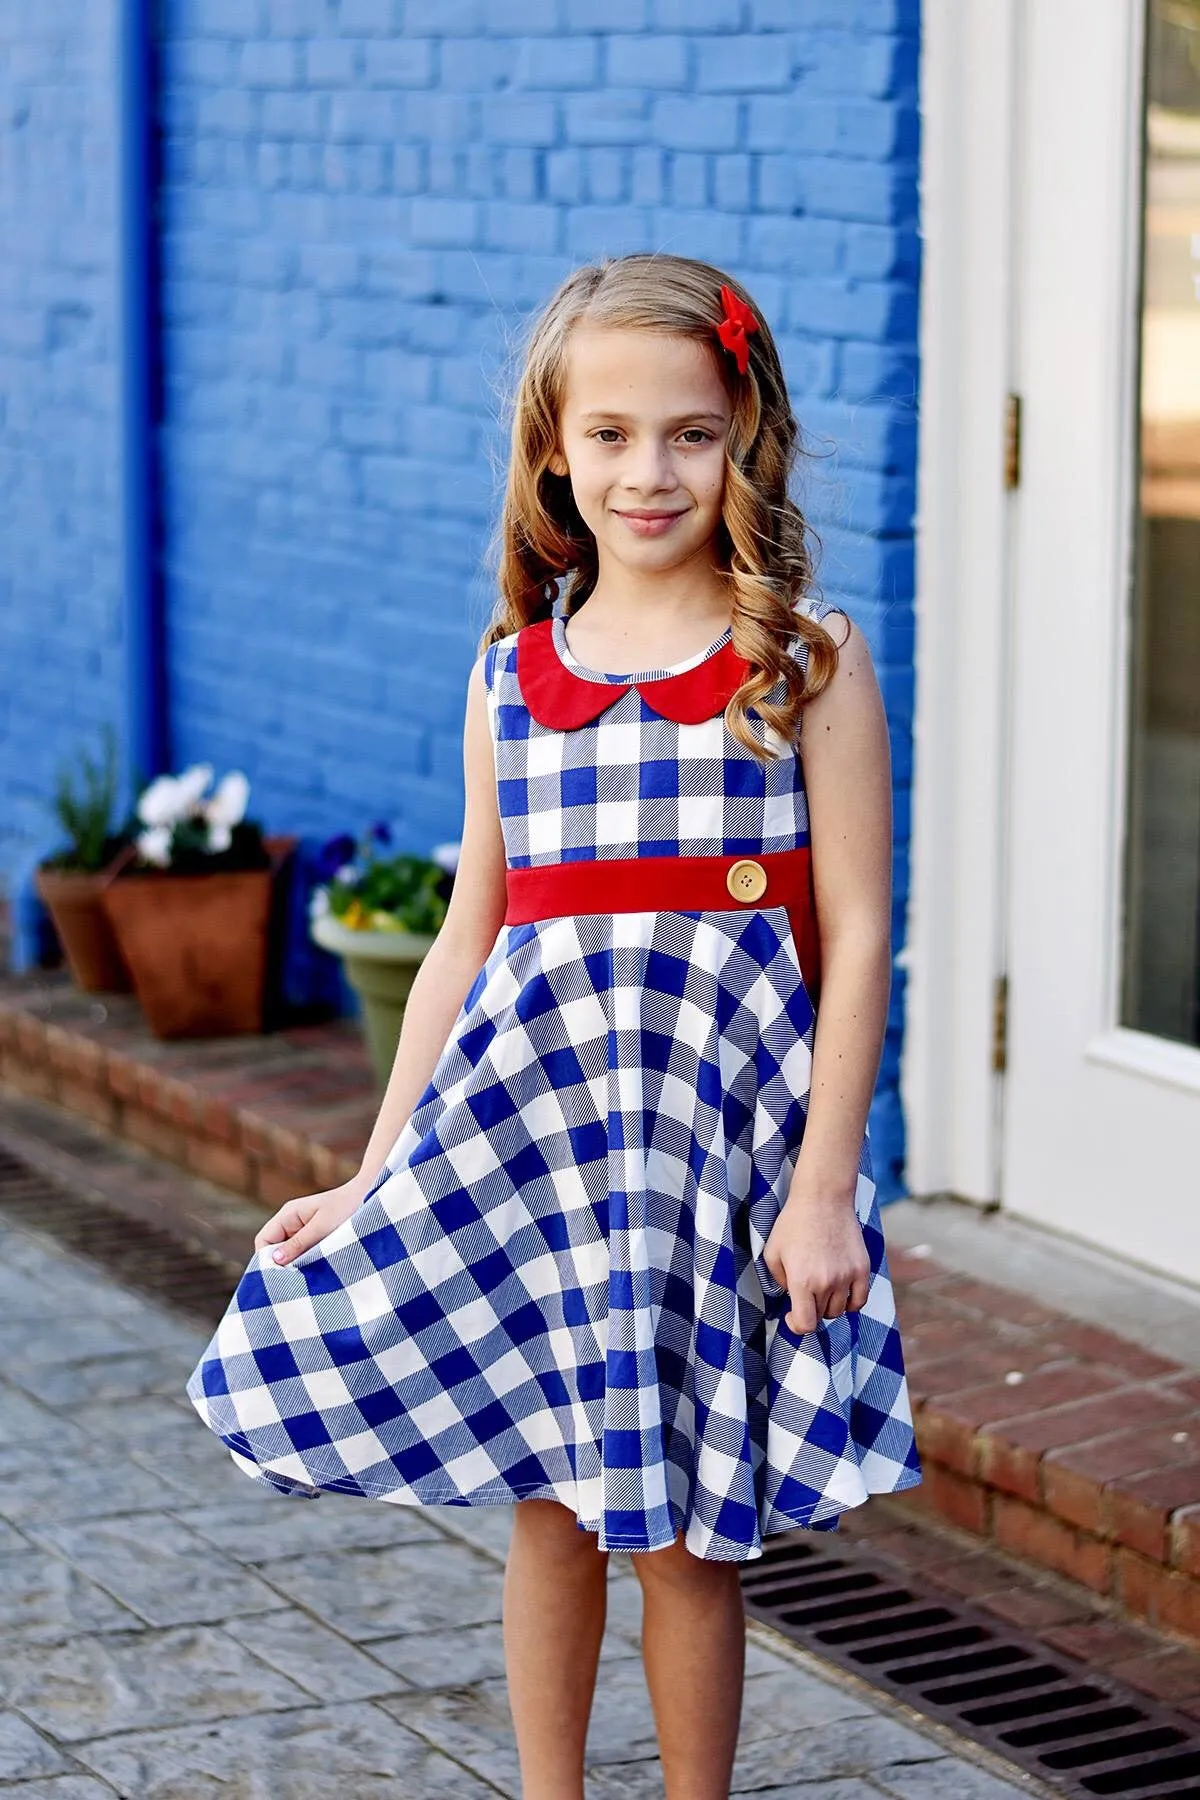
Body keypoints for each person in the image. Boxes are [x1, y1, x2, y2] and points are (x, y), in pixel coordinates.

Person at [186, 251, 921, 1800]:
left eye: (691, 433)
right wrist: (375, 1174)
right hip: (541, 1159)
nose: (648, 471)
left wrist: (823, 1184)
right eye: (610, 436)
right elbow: (469, 938)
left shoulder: (803, 663)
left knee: (681, 1531)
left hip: (712, 1168)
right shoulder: (513, 681)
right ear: (553, 451)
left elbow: (858, 938)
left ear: (747, 440)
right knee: (547, 1501)